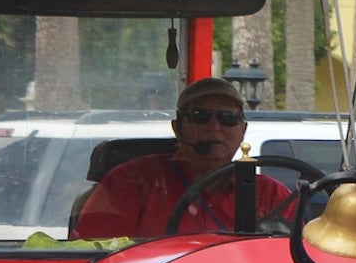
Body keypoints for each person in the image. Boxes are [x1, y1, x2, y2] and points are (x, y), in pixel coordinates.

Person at [73, 77, 292, 240]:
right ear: (177, 128)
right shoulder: (132, 182)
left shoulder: (271, 195)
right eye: (200, 117)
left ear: (242, 130)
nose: (214, 127)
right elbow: (94, 257)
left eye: (228, 119)